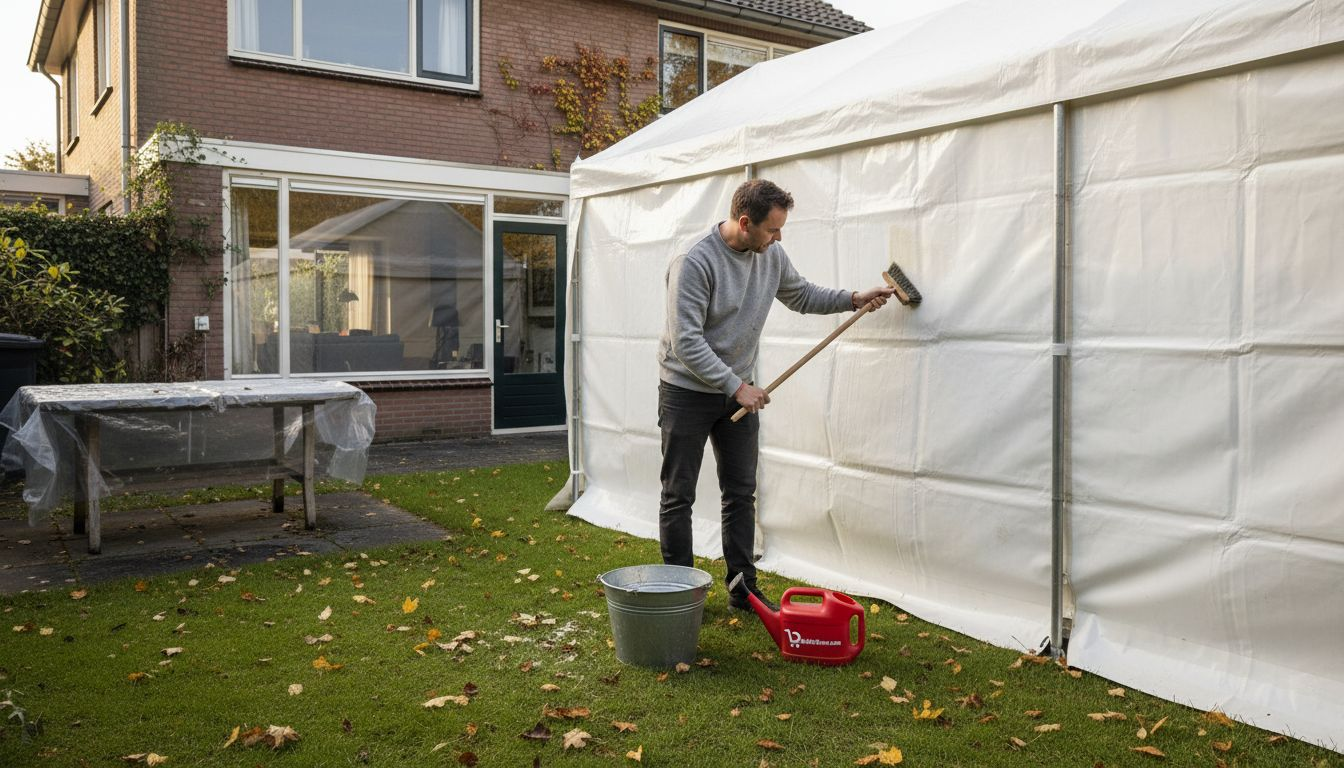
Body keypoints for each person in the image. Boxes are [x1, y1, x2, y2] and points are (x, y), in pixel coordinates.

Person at [657, 179, 897, 612]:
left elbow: (801, 294)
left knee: (740, 492)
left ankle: (742, 589)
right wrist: (737, 386)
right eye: (773, 229)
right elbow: (685, 342)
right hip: (687, 391)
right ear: (745, 223)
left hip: (738, 391)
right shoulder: (694, 263)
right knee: (679, 493)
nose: (779, 237)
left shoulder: (771, 256)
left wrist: (853, 298)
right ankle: (680, 595)